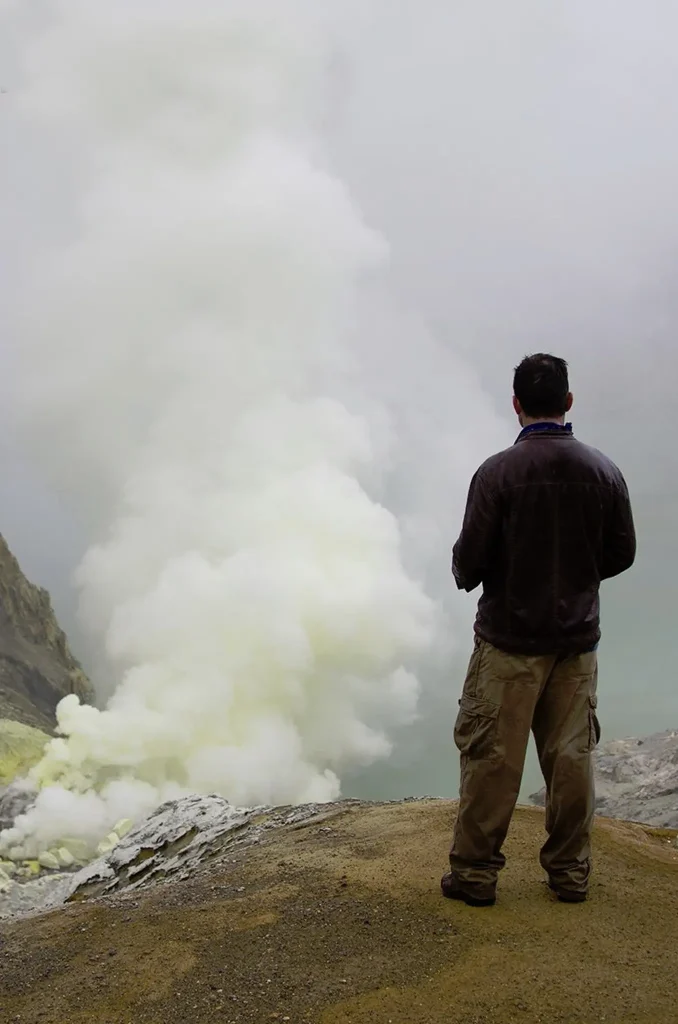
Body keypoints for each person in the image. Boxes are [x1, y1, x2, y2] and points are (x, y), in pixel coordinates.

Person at [441, 353, 636, 907]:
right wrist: (577, 576)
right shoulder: (603, 471)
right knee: (572, 759)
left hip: (508, 642)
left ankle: (476, 875)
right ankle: (570, 873)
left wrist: (481, 570)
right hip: (576, 644)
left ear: (516, 404)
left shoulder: (497, 473)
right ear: (568, 402)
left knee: (492, 760)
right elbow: (622, 553)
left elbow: (469, 564)